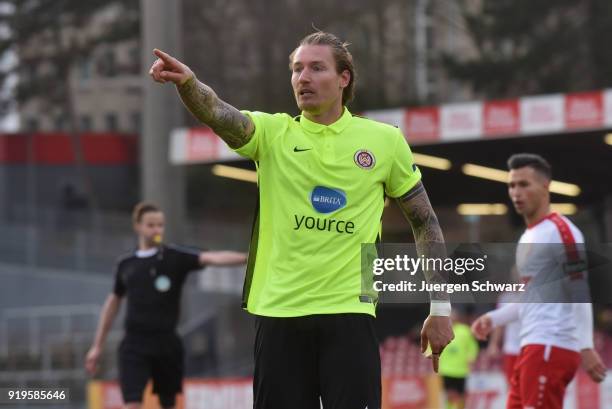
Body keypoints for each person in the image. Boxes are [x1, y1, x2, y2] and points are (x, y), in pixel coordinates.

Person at [149, 31, 454, 409]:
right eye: (296, 69)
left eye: (316, 68)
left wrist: (440, 307)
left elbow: (424, 221)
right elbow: (219, 113)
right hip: (279, 313)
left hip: (348, 311)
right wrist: (190, 85)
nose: (302, 77)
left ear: (344, 78)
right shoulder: (274, 133)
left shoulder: (384, 141)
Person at [471, 154, 606, 409]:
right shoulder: (528, 237)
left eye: (524, 184)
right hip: (531, 347)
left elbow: (579, 289)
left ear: (545, 186)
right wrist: (494, 318)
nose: (516, 192)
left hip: (550, 346)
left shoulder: (561, 231)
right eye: (512, 185)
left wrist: (586, 345)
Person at [85, 202, 247, 409]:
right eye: (150, 225)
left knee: (169, 404)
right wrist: (97, 346)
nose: (156, 230)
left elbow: (211, 257)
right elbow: (113, 302)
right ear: (138, 226)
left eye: (160, 225)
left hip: (167, 343)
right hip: (134, 344)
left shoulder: (174, 257)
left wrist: (247, 258)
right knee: (132, 403)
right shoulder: (126, 264)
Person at [438, 310, 479, 409]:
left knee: (461, 395)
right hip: (446, 369)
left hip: (461, 370)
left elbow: (473, 346)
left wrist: (471, 358)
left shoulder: (465, 330)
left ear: (457, 318)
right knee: (449, 394)